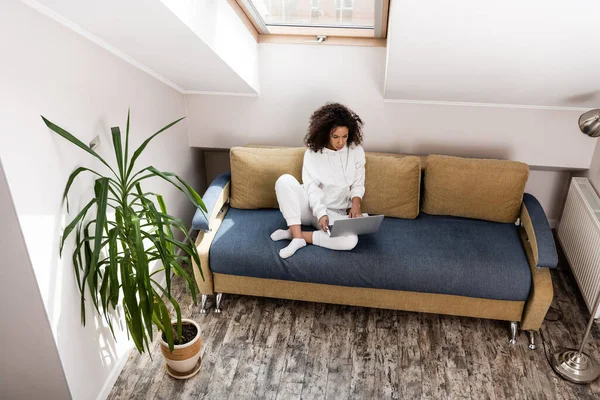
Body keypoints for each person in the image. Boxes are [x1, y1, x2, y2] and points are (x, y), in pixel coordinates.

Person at [270, 102, 366, 259]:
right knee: (284, 181)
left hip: (336, 213)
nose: (340, 142)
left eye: (345, 136)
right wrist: (320, 213)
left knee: (350, 241)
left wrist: (356, 204)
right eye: (335, 137)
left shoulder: (356, 151)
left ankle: (297, 236)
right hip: (310, 207)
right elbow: (311, 187)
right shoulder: (313, 153)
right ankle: (296, 235)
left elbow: (358, 182)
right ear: (325, 133)